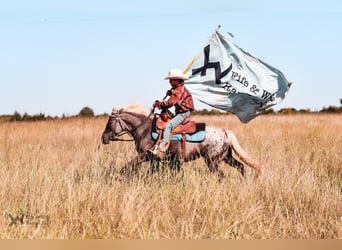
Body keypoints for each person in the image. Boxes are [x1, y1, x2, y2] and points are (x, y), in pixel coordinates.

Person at [153, 68, 195, 158]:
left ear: (177, 80)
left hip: (183, 113)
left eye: (172, 80)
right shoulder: (178, 89)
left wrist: (159, 104)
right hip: (180, 112)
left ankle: (162, 149)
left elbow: (170, 103)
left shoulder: (178, 90)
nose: (170, 82)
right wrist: (170, 94)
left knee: (168, 126)